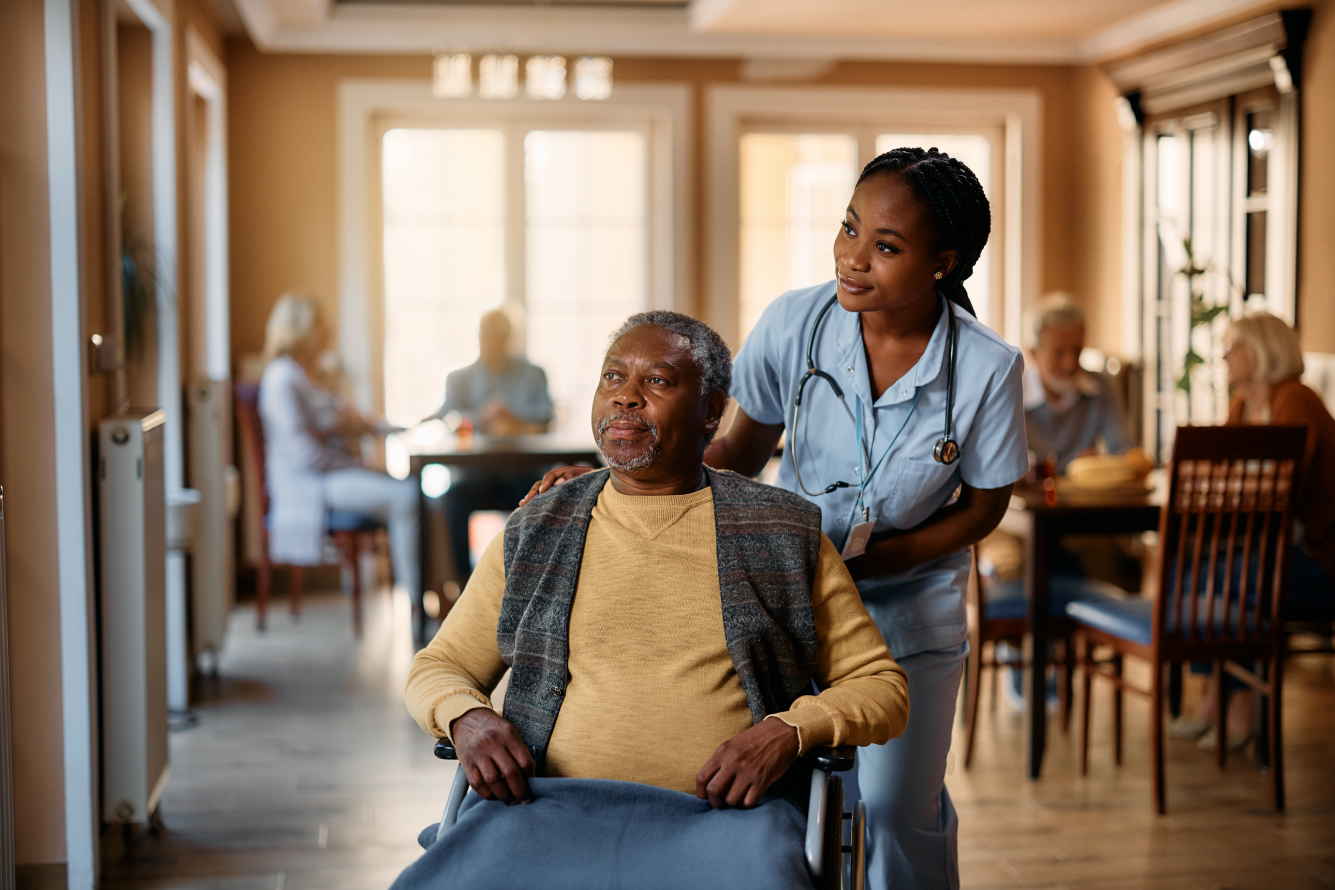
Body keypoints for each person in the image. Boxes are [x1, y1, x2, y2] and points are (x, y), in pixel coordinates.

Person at [524, 147, 1029, 890]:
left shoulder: (987, 367)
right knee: (790, 797)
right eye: (848, 229)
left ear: (942, 263)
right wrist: (613, 481)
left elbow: (984, 507)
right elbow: (730, 452)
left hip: (909, 607)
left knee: (894, 811)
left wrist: (881, 561)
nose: (852, 259)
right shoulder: (796, 323)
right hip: (788, 599)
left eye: (884, 247)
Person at [398, 312, 909, 888]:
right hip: (541, 806)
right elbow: (437, 667)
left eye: (658, 382)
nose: (626, 399)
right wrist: (467, 718)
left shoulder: (782, 532)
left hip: (728, 820)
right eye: (613, 378)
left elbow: (881, 687)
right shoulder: (539, 527)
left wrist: (787, 730)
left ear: (712, 411)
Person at [1172, 311, 1335, 751]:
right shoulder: (1244, 405)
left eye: (1233, 347)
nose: (1224, 356)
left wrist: (1216, 482)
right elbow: (1221, 475)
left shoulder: (1295, 399)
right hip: (1277, 550)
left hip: (1321, 558)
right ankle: (1213, 699)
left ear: (1262, 352)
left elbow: (1280, 489)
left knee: (1226, 579)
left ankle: (1239, 707)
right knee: (1193, 568)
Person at [257, 293, 421, 612]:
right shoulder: (281, 378)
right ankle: (417, 602)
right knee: (407, 498)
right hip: (309, 485)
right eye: (323, 327)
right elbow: (308, 457)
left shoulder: (314, 375)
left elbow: (353, 422)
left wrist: (405, 426)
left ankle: (437, 595)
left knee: (417, 494)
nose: (330, 334)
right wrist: (362, 467)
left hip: (331, 476)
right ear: (301, 330)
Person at [426, 309, 554, 582]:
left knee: (548, 498)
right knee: (453, 500)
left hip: (523, 473)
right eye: (486, 334)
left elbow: (545, 421)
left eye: (498, 335)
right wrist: (481, 417)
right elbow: (449, 419)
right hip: (475, 475)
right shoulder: (459, 379)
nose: (491, 341)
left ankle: (534, 585)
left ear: (508, 338)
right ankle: (461, 585)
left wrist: (513, 419)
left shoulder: (532, 374)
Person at [1023, 294, 1131, 474]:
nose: (1070, 363)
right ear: (1034, 353)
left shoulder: (1102, 387)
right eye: (1059, 353)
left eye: (1077, 350)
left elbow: (1124, 451)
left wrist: (1103, 462)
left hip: (1083, 499)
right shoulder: (1011, 392)